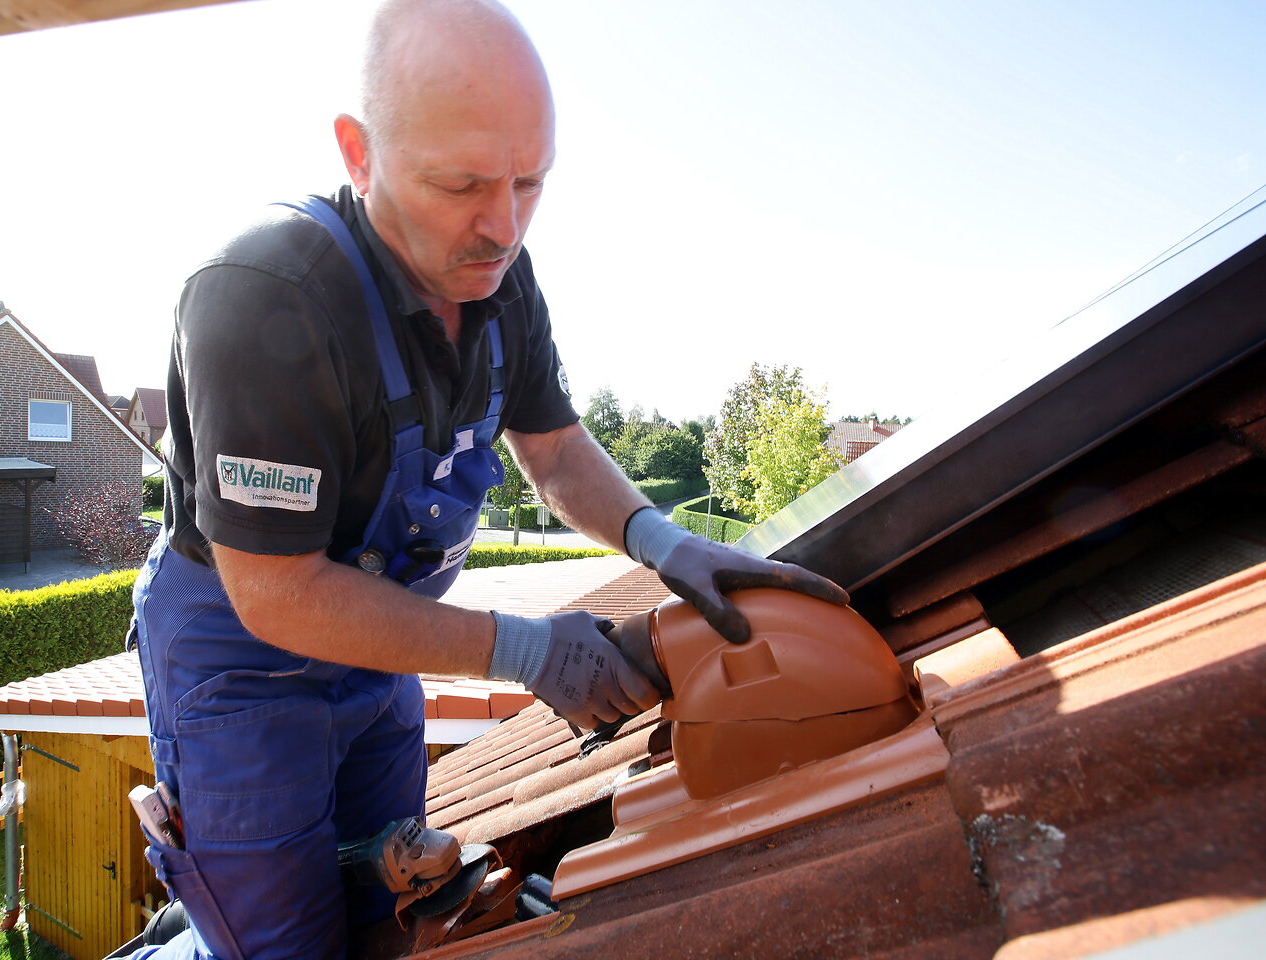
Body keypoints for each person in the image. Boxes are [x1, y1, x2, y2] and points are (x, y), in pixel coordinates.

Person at [128, 1, 848, 958]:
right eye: (460, 184)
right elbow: (276, 591)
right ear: (359, 152)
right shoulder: (266, 298)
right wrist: (529, 653)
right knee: (285, 946)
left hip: (380, 651)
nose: (501, 227)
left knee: (392, 911)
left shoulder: (502, 279)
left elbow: (551, 450)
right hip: (243, 663)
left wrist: (661, 541)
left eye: (529, 182)